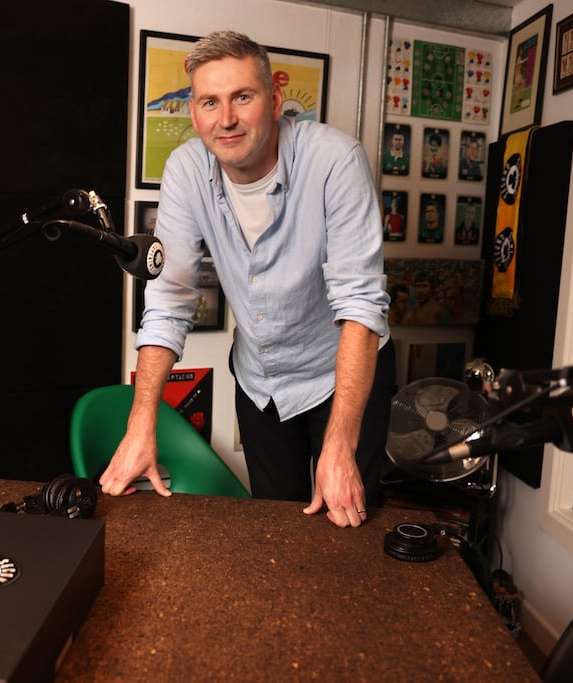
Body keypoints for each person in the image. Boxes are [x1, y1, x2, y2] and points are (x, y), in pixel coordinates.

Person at [98, 31, 394, 529]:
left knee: (346, 530)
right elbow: (169, 299)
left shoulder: (336, 161)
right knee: (275, 531)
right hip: (261, 384)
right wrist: (140, 424)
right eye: (209, 102)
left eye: (242, 97)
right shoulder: (186, 170)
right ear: (193, 113)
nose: (226, 118)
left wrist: (339, 445)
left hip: (340, 379)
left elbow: (361, 305)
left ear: (275, 100)